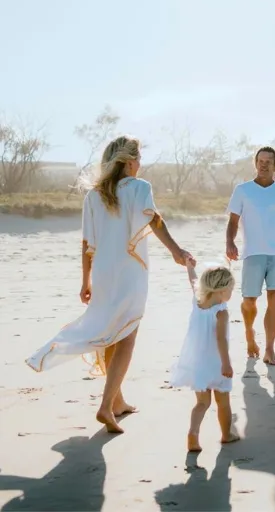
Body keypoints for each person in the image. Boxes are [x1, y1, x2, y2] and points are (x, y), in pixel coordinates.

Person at [25, 135, 194, 433]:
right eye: (138, 158)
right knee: (126, 335)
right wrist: (177, 252)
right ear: (129, 161)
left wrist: (85, 281)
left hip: (103, 272)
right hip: (130, 272)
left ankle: (117, 402)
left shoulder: (94, 195)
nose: (140, 164)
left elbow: (87, 243)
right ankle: (105, 406)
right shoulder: (140, 188)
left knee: (110, 331)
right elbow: (154, 222)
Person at [225, 146, 275, 366]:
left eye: (268, 161)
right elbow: (233, 221)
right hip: (253, 253)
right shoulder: (242, 190)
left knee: (274, 299)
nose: (263, 164)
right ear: (255, 163)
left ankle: (270, 349)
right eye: (260, 161)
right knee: (249, 300)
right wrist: (230, 242)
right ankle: (250, 333)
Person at [170, 261, 240, 452]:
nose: (231, 294)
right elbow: (221, 341)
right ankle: (227, 435)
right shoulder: (221, 312)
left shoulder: (198, 302)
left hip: (197, 363)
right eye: (230, 289)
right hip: (216, 364)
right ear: (221, 291)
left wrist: (189, 266)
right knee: (223, 403)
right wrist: (226, 364)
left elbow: (193, 281)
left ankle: (193, 434)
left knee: (202, 403)